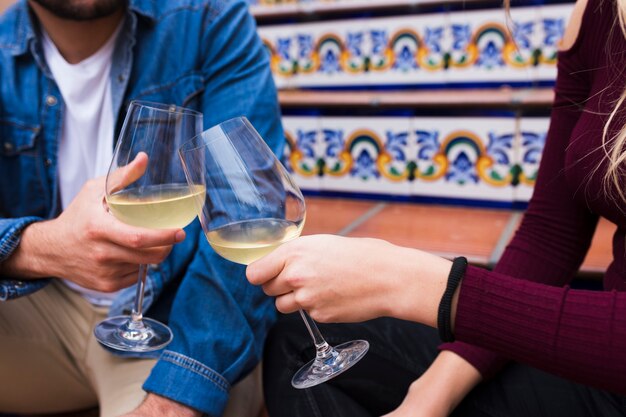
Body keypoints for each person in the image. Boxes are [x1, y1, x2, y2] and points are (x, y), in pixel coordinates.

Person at [247, 0, 626, 415]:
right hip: (598, 366)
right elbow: (551, 236)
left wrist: (416, 284)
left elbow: (429, 288)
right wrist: (429, 395)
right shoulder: (596, 14)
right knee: (300, 341)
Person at [0, 0, 282, 416]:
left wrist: (176, 397)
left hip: (174, 324)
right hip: (40, 315)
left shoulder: (208, 19)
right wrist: (41, 247)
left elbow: (251, 218)